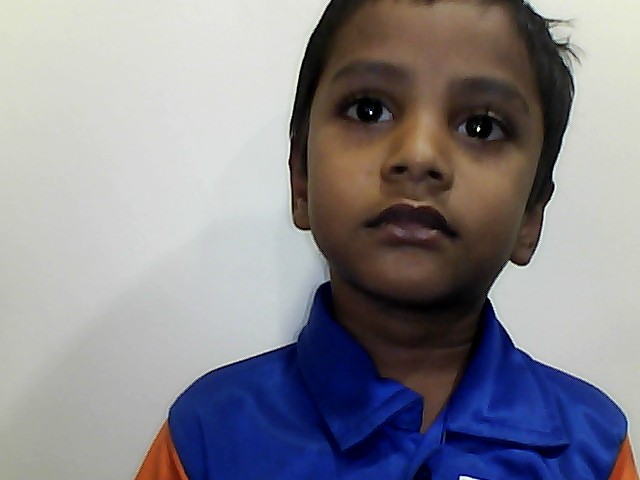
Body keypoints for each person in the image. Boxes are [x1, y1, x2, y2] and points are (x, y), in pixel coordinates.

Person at [135, 0, 638, 478]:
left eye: (481, 127)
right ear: (301, 181)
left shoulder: (592, 450)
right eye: (369, 110)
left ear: (531, 214)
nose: (419, 156)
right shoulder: (209, 438)